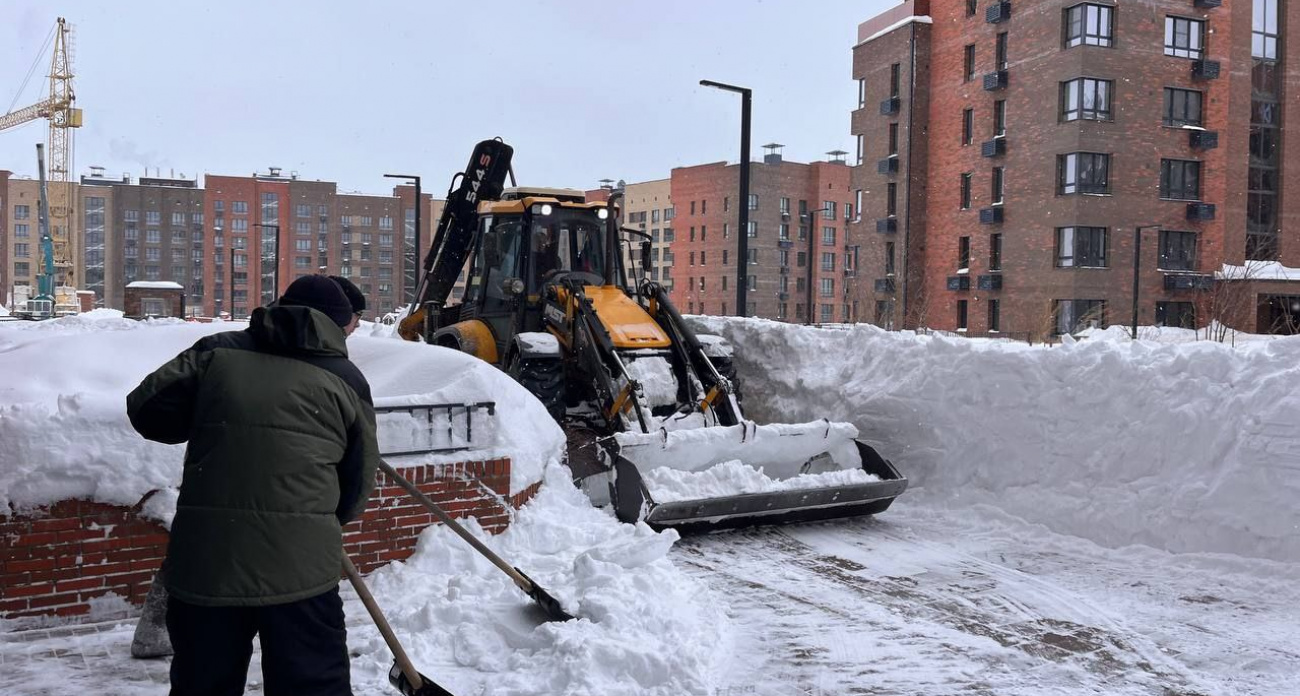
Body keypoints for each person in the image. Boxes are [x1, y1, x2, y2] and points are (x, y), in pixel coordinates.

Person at [127, 274, 380, 696]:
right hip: (302, 569)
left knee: (203, 684)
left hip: (210, 564)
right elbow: (357, 483)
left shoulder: (217, 353)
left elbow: (148, 412)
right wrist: (315, 523)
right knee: (312, 684)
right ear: (336, 325)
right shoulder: (346, 378)